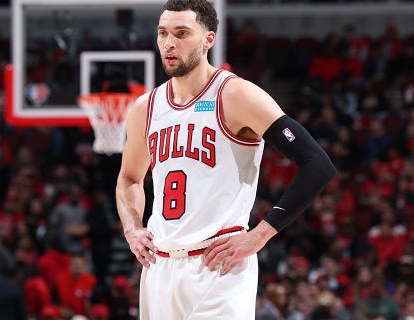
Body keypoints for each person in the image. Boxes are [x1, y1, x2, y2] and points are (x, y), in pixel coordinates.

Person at [115, 1, 336, 318]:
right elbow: (130, 178)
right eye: (163, 33)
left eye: (182, 33)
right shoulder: (146, 107)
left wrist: (260, 236)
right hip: (160, 268)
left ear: (208, 39)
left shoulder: (236, 95)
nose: (169, 43)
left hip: (219, 265)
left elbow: (317, 164)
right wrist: (132, 228)